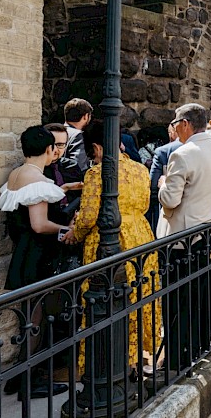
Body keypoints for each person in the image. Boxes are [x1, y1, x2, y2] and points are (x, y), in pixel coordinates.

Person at [72, 121, 160, 376]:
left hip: (110, 239)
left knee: (105, 299)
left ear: (97, 147)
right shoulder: (139, 170)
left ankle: (108, 365)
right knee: (138, 295)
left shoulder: (96, 173)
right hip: (140, 235)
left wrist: (74, 235)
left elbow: (88, 216)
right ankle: (135, 359)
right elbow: (144, 203)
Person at [0, 125, 73, 399]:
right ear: (49, 149)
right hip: (38, 256)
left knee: (29, 318)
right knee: (36, 319)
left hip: (23, 253)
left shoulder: (17, 174)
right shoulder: (38, 181)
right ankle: (28, 381)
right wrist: (65, 230)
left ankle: (19, 377)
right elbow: (39, 225)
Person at [158, 103, 211, 370]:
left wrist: (162, 184)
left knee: (177, 301)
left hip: (181, 236)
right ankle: (199, 348)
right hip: (208, 232)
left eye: (176, 122)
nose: (174, 127)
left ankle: (176, 358)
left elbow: (170, 198)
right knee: (200, 295)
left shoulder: (182, 154)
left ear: (186, 123)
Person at [148, 124, 181, 233]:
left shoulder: (163, 151)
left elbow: (153, 184)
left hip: (168, 215)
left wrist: (163, 184)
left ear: (173, 133)